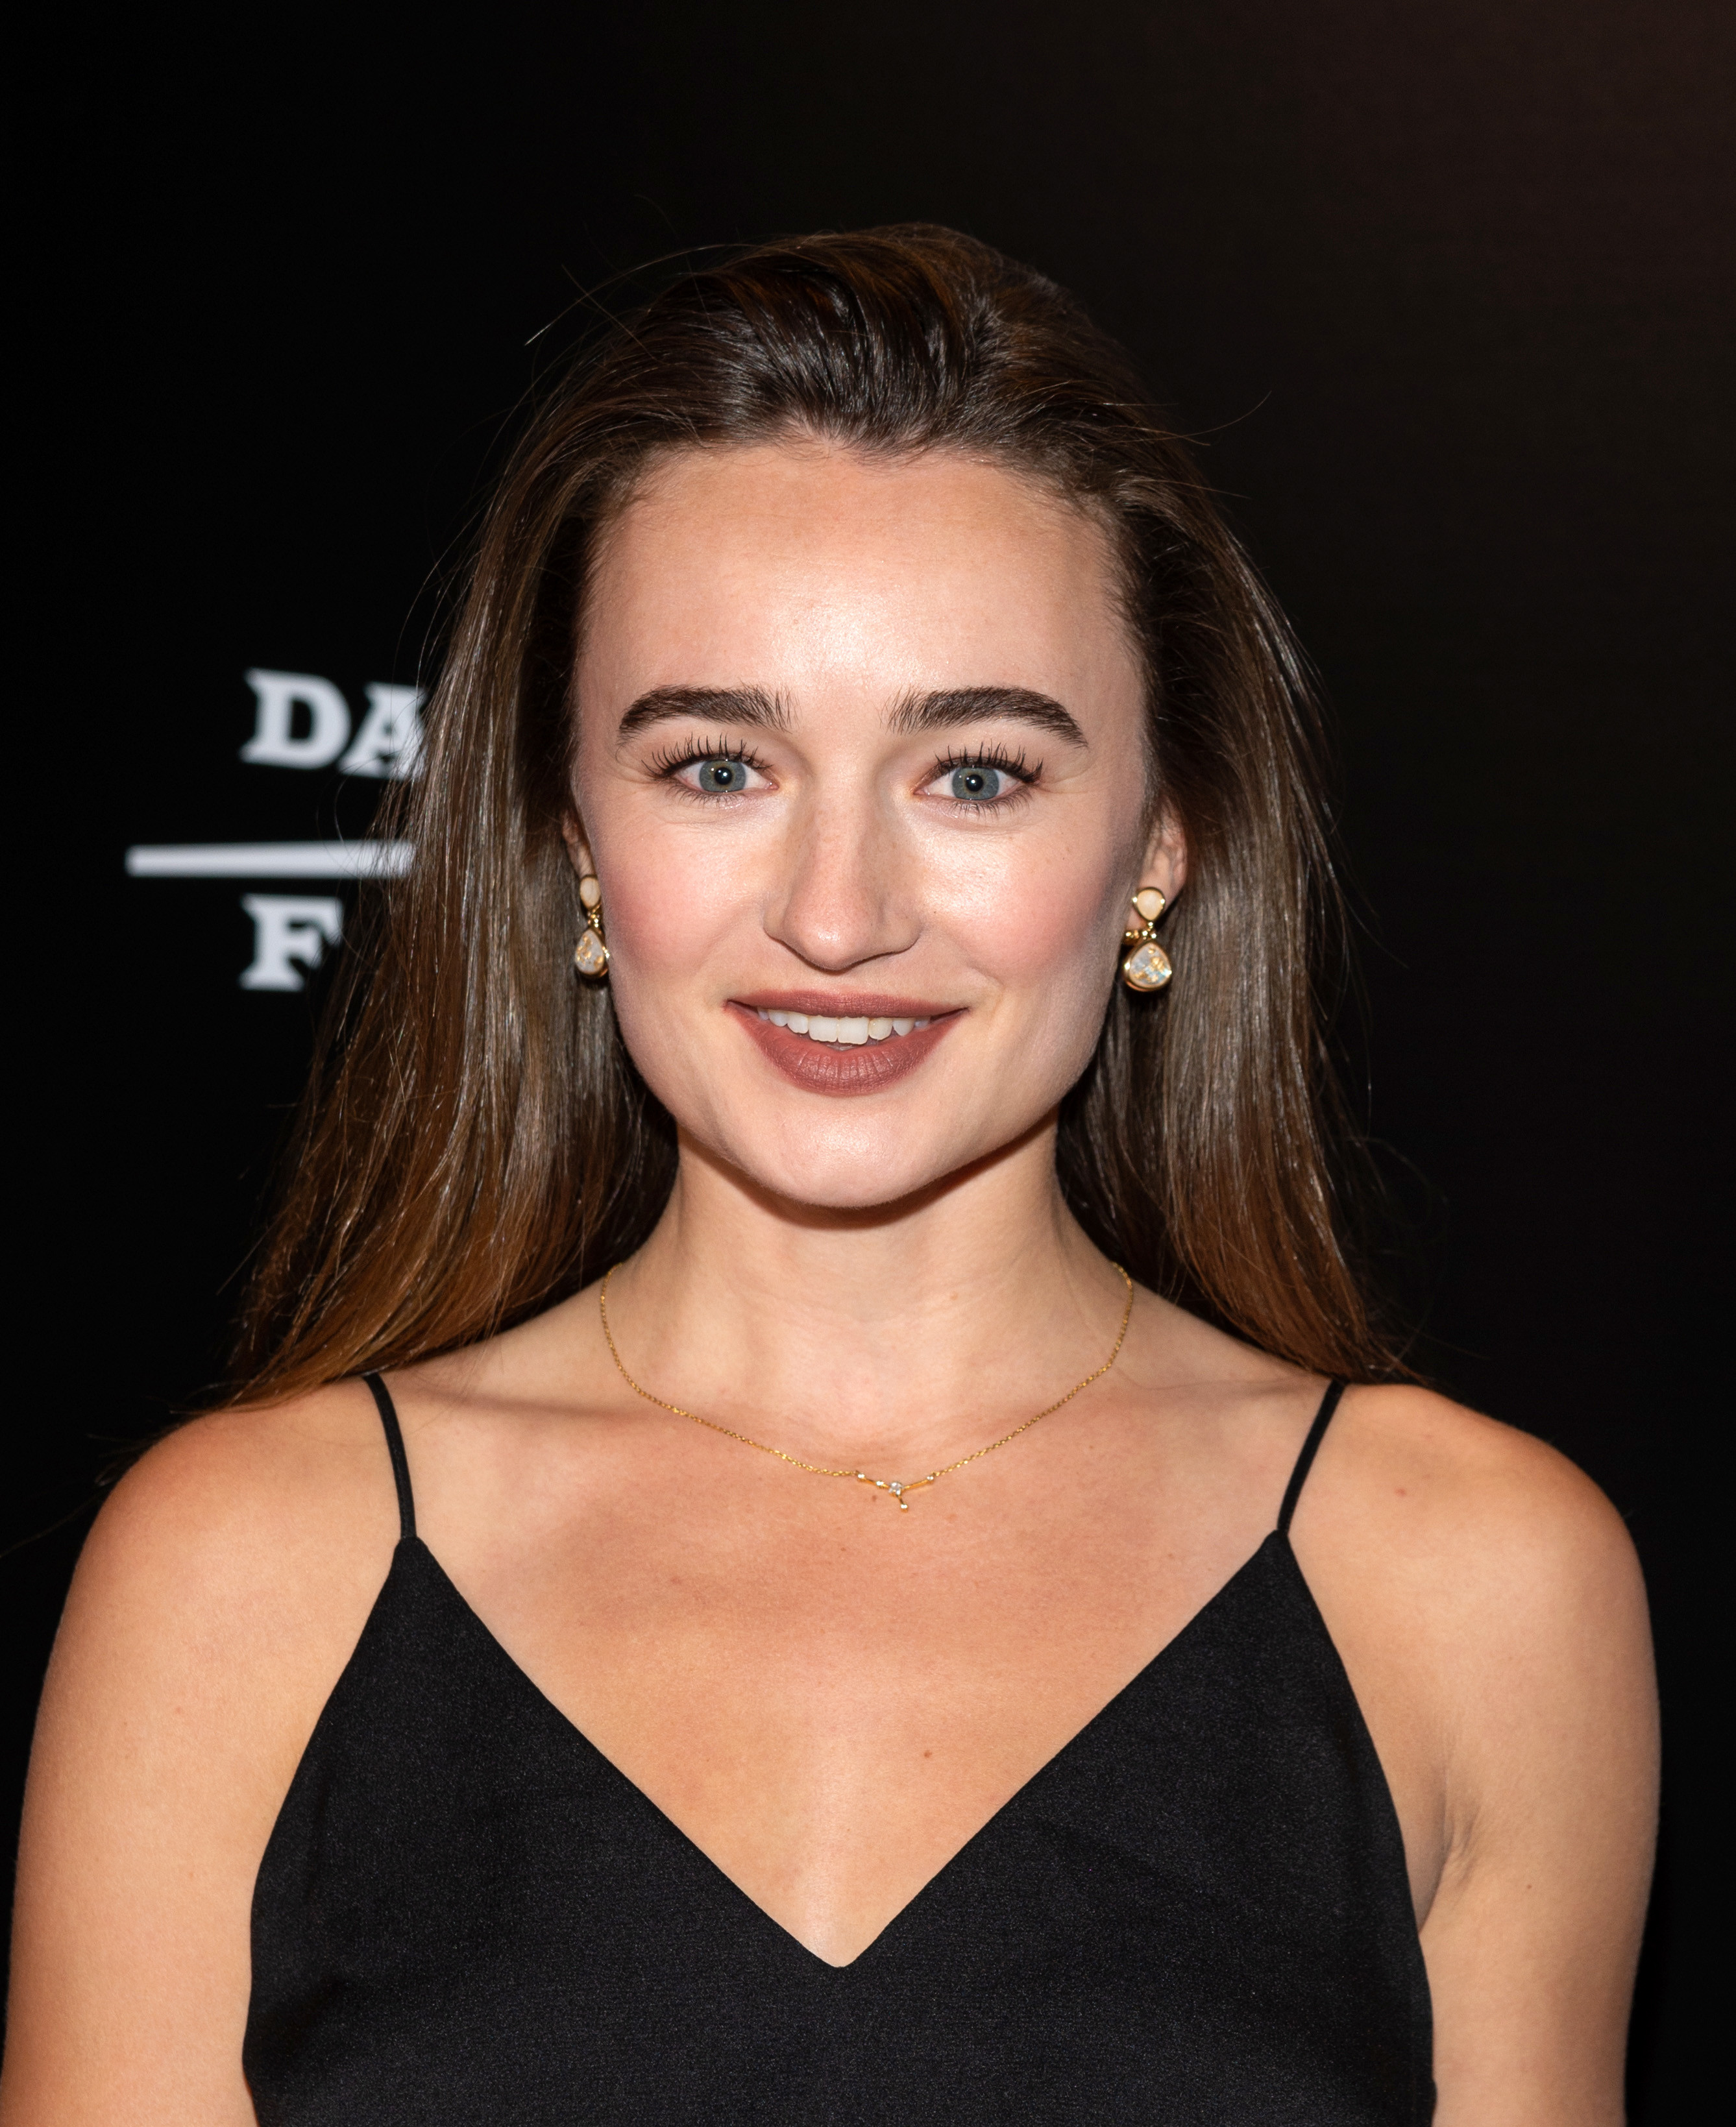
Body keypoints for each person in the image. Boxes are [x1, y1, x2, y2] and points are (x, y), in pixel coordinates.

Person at [2, 228, 1656, 2126]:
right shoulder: (242, 1570)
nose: (836, 916)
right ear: (570, 840)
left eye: (974, 775)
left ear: (1162, 839)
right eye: (717, 766)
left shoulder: (1468, 1583)